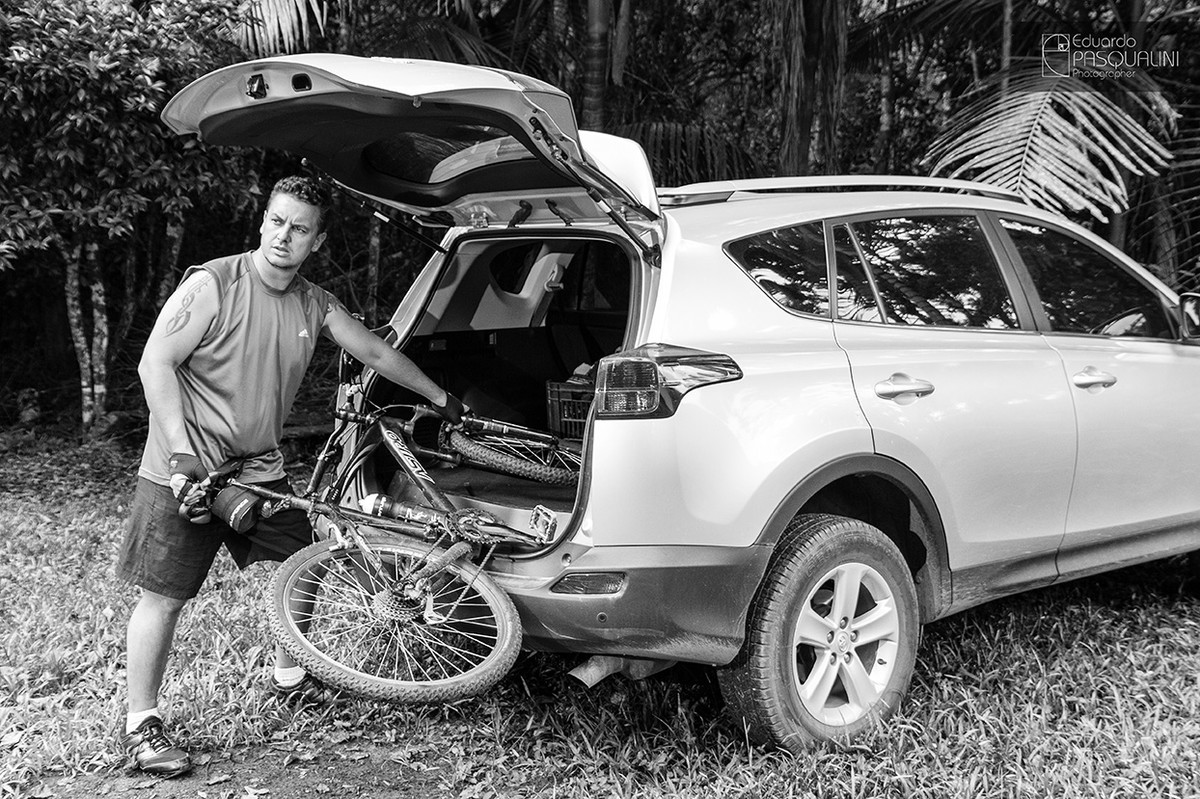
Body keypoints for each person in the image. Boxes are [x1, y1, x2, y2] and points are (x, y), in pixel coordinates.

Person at [116, 176, 464, 778]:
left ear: (317, 240)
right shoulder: (213, 283)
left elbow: (376, 353)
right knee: (164, 599)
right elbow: (157, 363)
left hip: (260, 469)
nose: (285, 236)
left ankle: (289, 675)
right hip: (186, 469)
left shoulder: (314, 303)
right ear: (262, 223)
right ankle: (142, 726)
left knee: (309, 558)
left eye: (299, 228)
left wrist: (438, 396)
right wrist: (179, 455)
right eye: (277, 221)